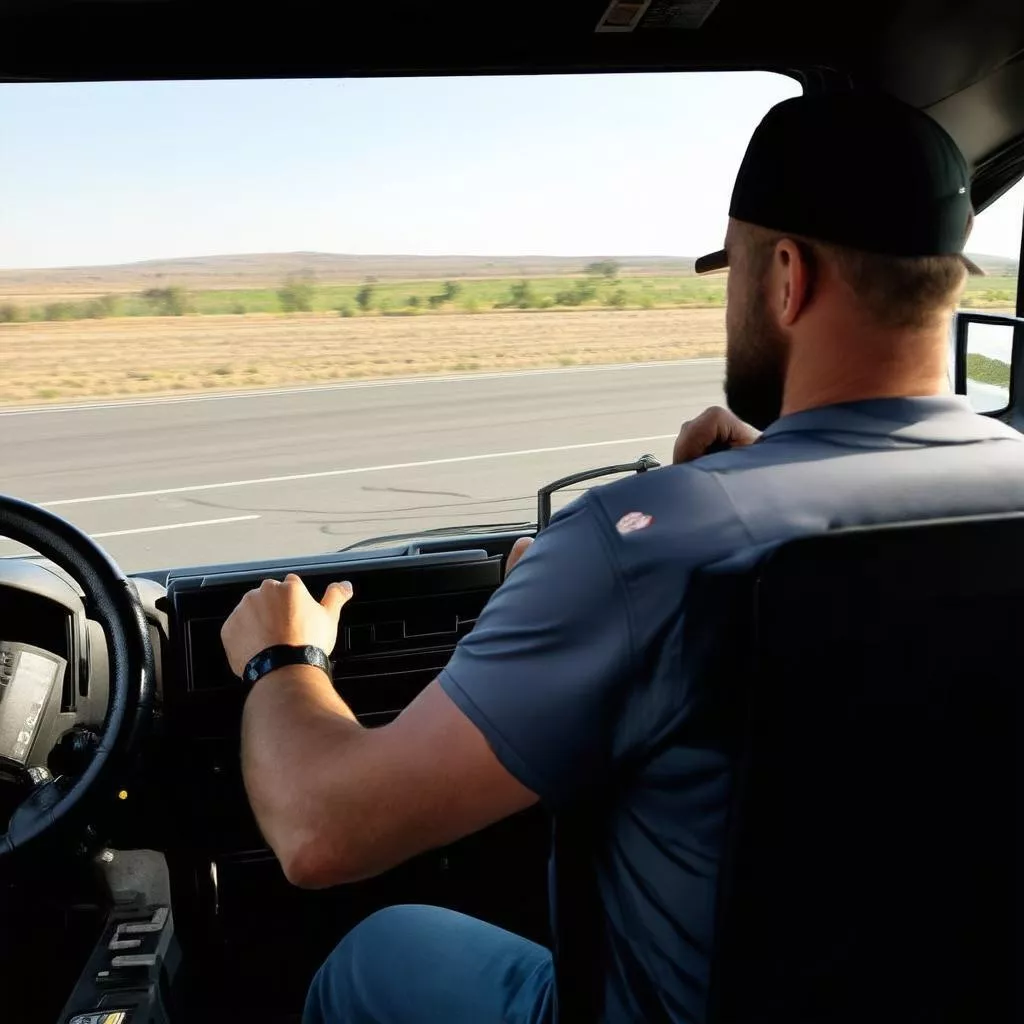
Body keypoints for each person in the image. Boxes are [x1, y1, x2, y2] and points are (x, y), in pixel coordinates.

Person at [220, 91, 1024, 1024]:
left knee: (380, 948)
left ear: (787, 278)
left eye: (733, 271)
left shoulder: (638, 551)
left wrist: (284, 659)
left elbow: (323, 830)